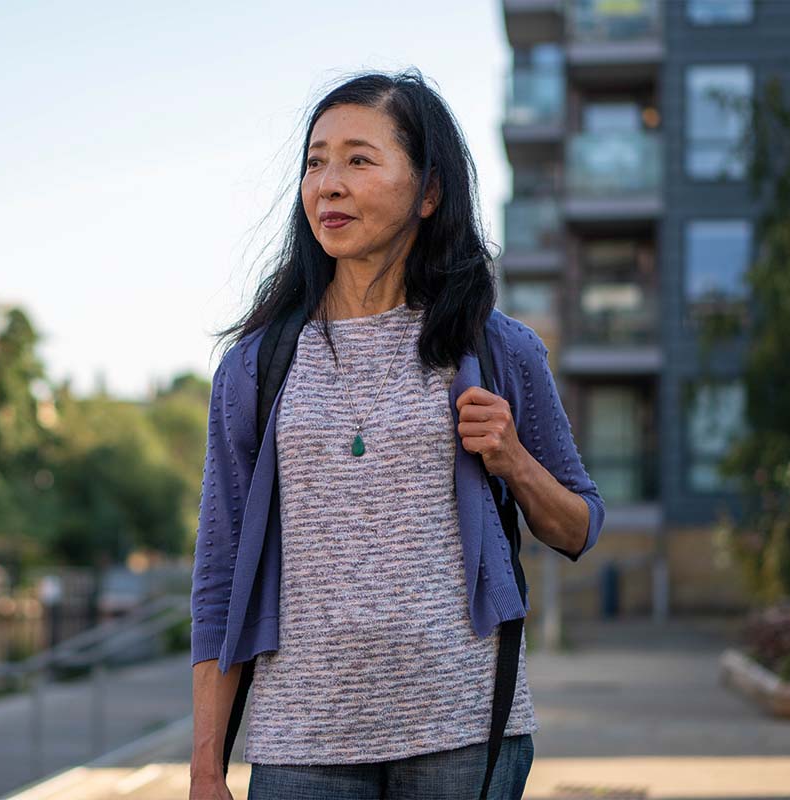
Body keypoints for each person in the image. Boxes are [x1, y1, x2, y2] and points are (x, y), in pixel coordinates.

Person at [189, 68, 606, 800]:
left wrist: (512, 459)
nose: (329, 183)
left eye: (358, 158)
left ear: (429, 192)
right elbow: (220, 575)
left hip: (464, 728)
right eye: (315, 162)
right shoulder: (255, 368)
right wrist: (204, 766)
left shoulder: (499, 348)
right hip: (300, 741)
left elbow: (577, 527)